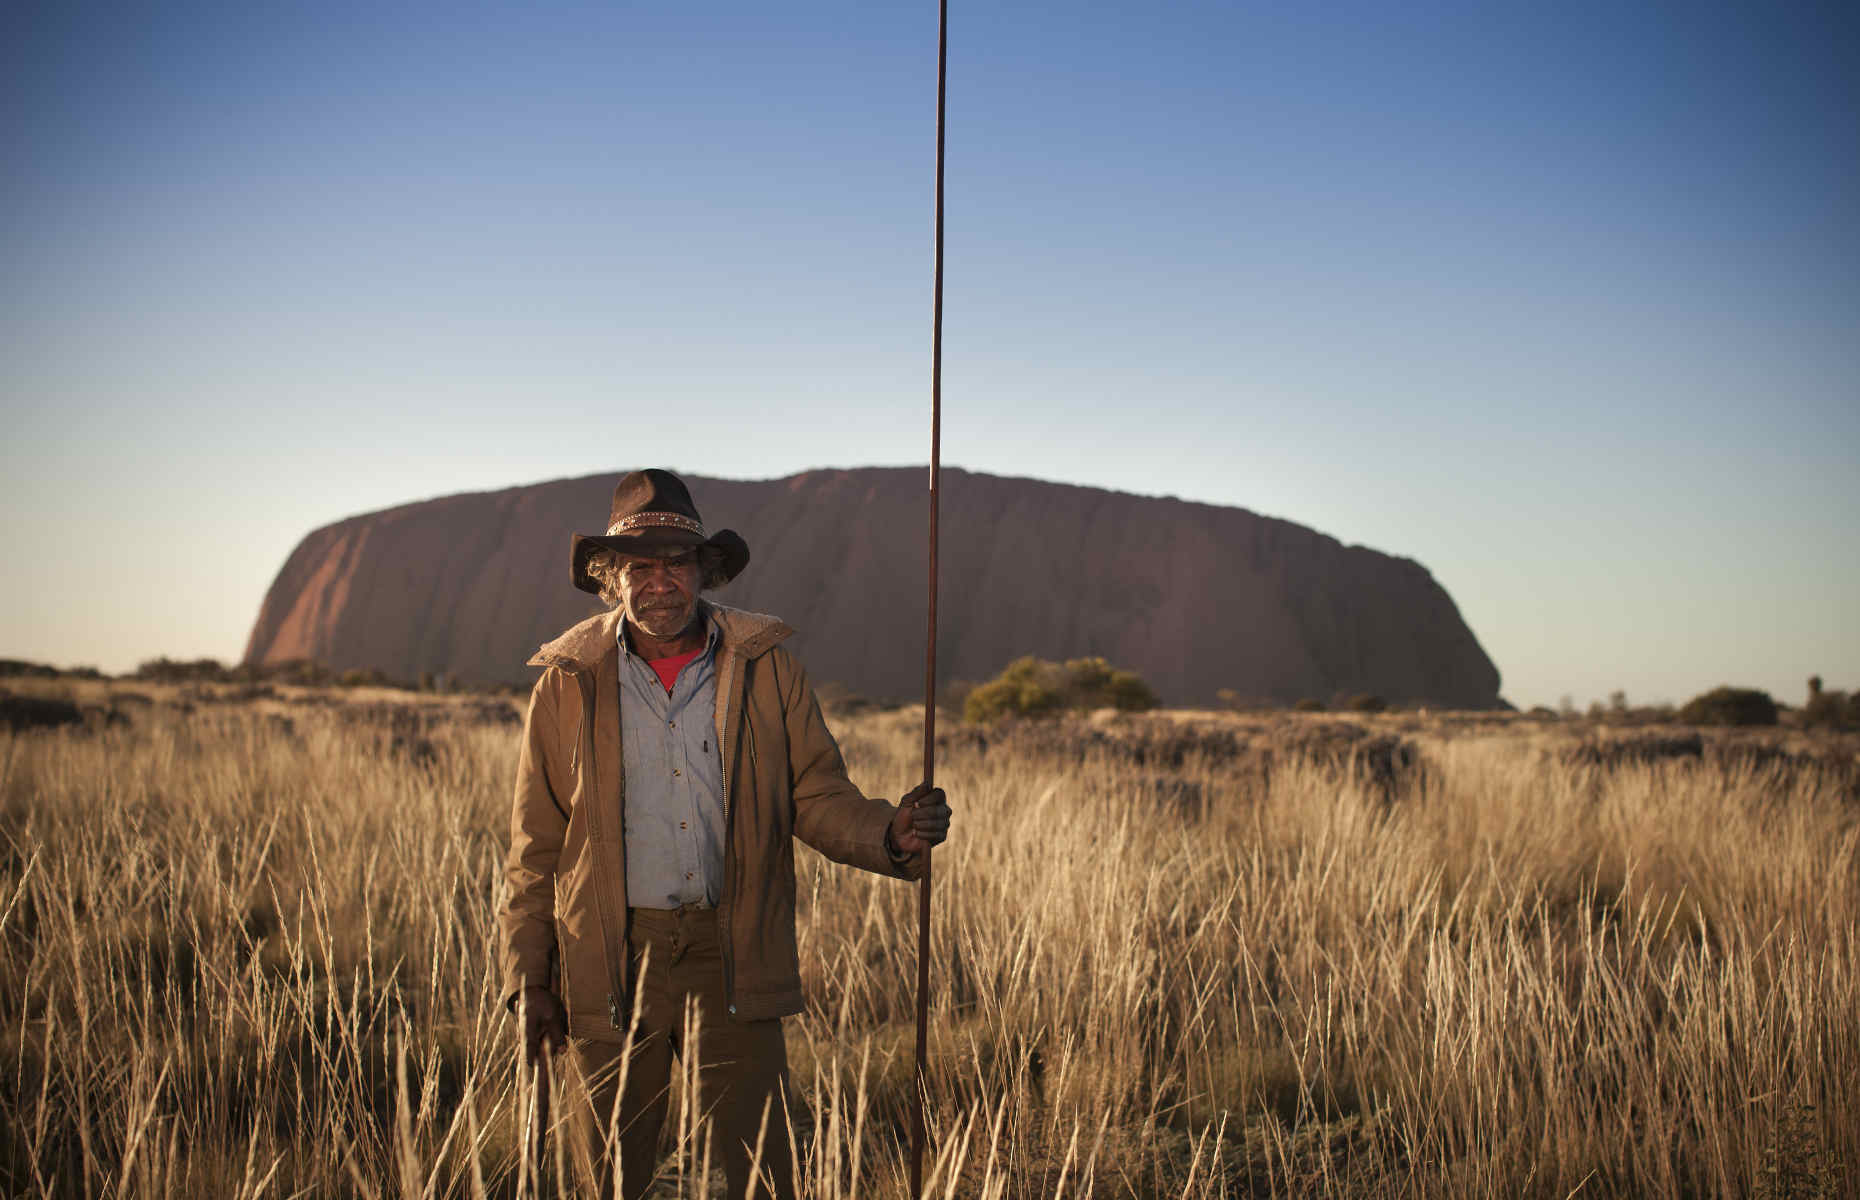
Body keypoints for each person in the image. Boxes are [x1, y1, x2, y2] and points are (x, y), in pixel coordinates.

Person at [500, 468, 951, 1200]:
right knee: (609, 1176)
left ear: (703, 571)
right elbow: (536, 847)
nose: (659, 582)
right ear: (610, 579)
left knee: (761, 1174)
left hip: (732, 951)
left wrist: (889, 833)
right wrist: (529, 976)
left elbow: (814, 793)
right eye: (638, 566)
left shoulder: (765, 667)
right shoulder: (567, 682)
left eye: (676, 563)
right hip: (611, 957)